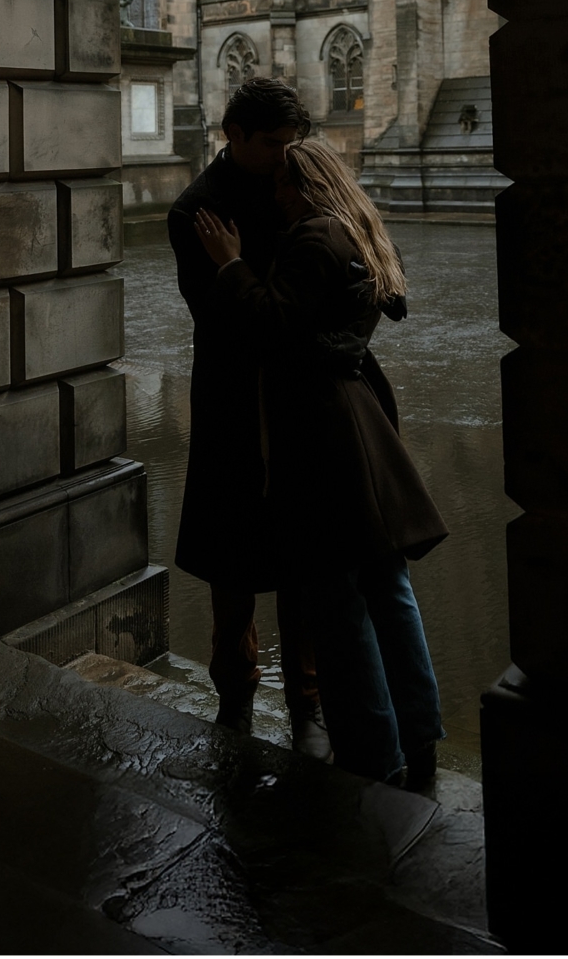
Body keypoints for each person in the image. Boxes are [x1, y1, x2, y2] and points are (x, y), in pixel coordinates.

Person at [192, 136, 448, 790]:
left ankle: (371, 753)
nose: (275, 193)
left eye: (283, 183)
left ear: (307, 184)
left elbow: (270, 325)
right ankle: (418, 736)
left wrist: (230, 264)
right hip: (363, 419)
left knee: (338, 602)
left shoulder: (311, 237)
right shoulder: (357, 230)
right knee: (389, 590)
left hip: (324, 433)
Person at [168, 77, 327, 753]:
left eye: (293, 145)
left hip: (296, 395)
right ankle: (235, 695)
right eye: (271, 145)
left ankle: (309, 705)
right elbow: (221, 319)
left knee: (304, 561)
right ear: (232, 134)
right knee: (233, 566)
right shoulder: (197, 209)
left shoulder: (296, 185)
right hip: (233, 398)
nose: (284, 157)